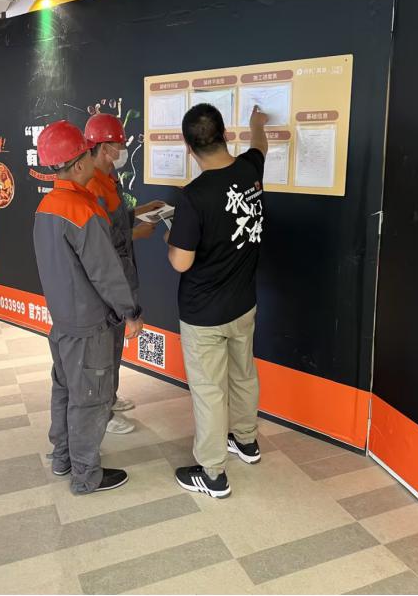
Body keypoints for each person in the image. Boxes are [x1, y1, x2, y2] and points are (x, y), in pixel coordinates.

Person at [33, 120, 143, 495]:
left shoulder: (46, 206)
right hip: (90, 326)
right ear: (80, 162)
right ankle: (85, 476)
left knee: (64, 391)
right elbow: (106, 273)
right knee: (90, 401)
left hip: (62, 322)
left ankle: (63, 458)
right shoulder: (83, 210)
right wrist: (130, 312)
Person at [165, 103, 268, 499]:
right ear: (225, 134)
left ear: (188, 146)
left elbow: (181, 262)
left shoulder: (194, 196)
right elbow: (260, 146)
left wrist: (171, 238)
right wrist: (257, 124)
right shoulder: (249, 169)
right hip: (243, 303)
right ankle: (246, 441)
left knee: (209, 391)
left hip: (203, 313)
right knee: (243, 374)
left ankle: (212, 474)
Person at [84, 113, 164, 434]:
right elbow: (100, 240)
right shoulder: (92, 185)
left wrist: (143, 211)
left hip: (122, 272)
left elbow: (117, 219)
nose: (122, 150)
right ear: (104, 148)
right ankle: (102, 412)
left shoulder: (109, 177)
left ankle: (111, 397)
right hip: (108, 279)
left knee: (116, 343)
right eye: (118, 145)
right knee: (104, 349)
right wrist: (136, 234)